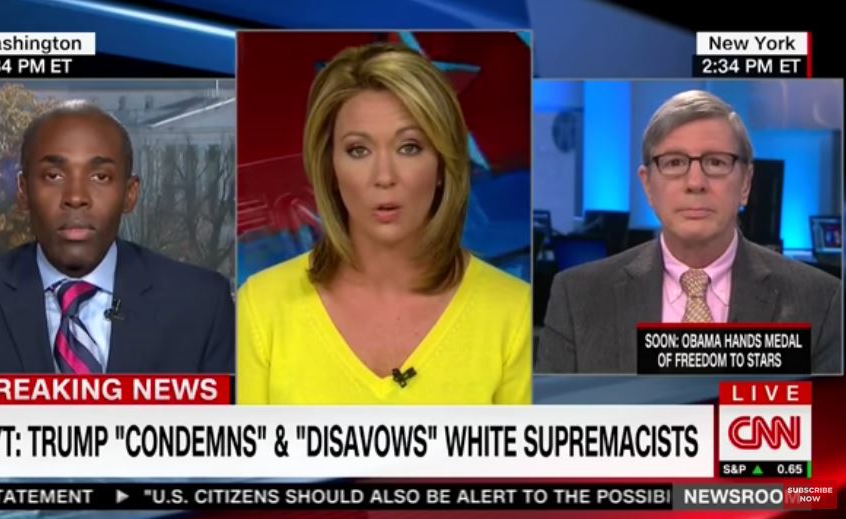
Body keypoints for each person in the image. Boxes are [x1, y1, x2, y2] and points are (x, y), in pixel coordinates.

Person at [237, 43, 531, 404]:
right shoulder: (262, 306)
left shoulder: (511, 310)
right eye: (358, 150)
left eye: (409, 147)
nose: (384, 176)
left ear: (443, 164)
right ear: (330, 168)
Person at [538, 90, 842, 374]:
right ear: (648, 185)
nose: (695, 183)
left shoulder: (821, 300)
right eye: (674, 163)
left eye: (716, 162)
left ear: (746, 183)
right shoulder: (577, 297)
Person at [0, 100, 234, 374]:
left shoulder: (202, 306)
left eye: (100, 177)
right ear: (23, 191)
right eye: (53, 176)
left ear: (130, 194)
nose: (75, 197)